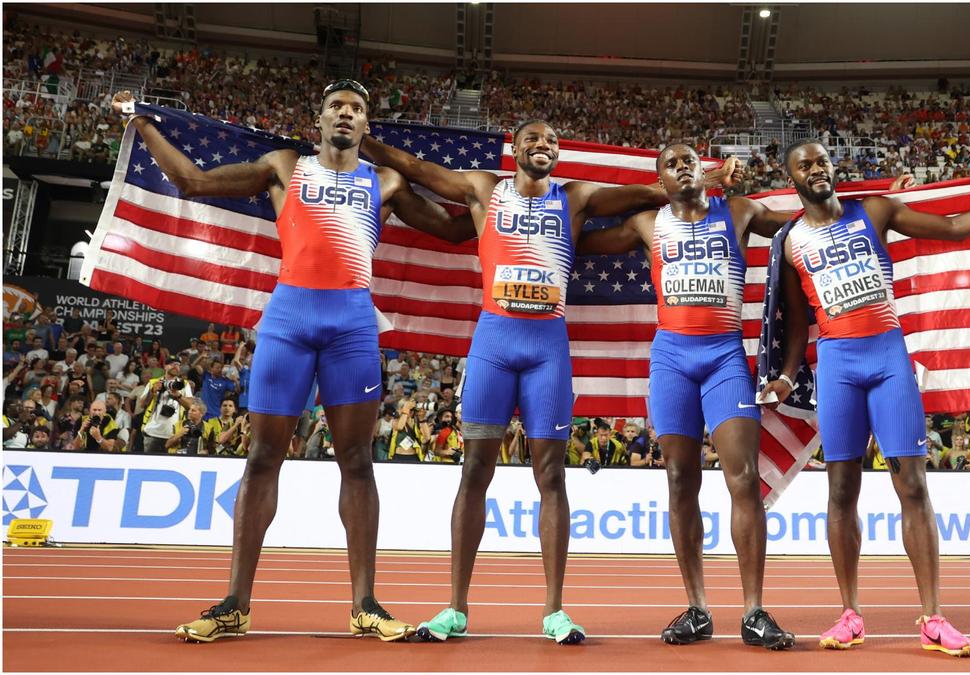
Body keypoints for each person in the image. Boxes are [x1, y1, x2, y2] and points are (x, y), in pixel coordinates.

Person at [112, 79, 473, 643]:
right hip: (288, 321)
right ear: (320, 119)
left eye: (356, 109)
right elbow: (193, 182)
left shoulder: (387, 181)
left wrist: (509, 202)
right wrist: (145, 126)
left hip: (352, 325)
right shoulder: (286, 165)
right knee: (262, 457)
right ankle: (235, 602)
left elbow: (455, 230)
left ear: (366, 125)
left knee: (357, 460)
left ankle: (366, 605)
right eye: (337, 107)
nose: (346, 115)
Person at [362, 122, 735, 645]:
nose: (544, 145)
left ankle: (555, 611)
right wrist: (369, 147)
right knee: (474, 471)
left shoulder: (575, 197)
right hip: (494, 341)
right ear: (516, 149)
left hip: (547, 349)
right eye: (533, 138)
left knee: (551, 477)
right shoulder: (485, 190)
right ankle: (455, 608)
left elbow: (651, 191)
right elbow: (421, 171)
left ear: (558, 155)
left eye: (551, 141)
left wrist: (706, 179)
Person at [762, 139, 970, 657]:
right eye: (803, 164)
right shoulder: (789, 242)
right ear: (793, 179)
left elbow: (958, 228)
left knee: (912, 484)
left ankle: (933, 617)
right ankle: (850, 612)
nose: (816, 169)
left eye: (822, 160)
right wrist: (784, 377)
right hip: (837, 368)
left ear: (832, 168)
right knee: (841, 490)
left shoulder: (875, 210)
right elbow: (797, 327)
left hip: (888, 357)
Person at [579, 143, 810, 648]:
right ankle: (697, 608)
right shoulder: (647, 222)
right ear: (661, 178)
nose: (683, 167)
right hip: (671, 361)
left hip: (725, 357)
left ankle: (753, 611)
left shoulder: (741, 211)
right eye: (672, 163)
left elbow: (803, 229)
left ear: (706, 173)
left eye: (690, 160)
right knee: (680, 478)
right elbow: (581, 237)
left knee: (743, 478)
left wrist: (856, 202)